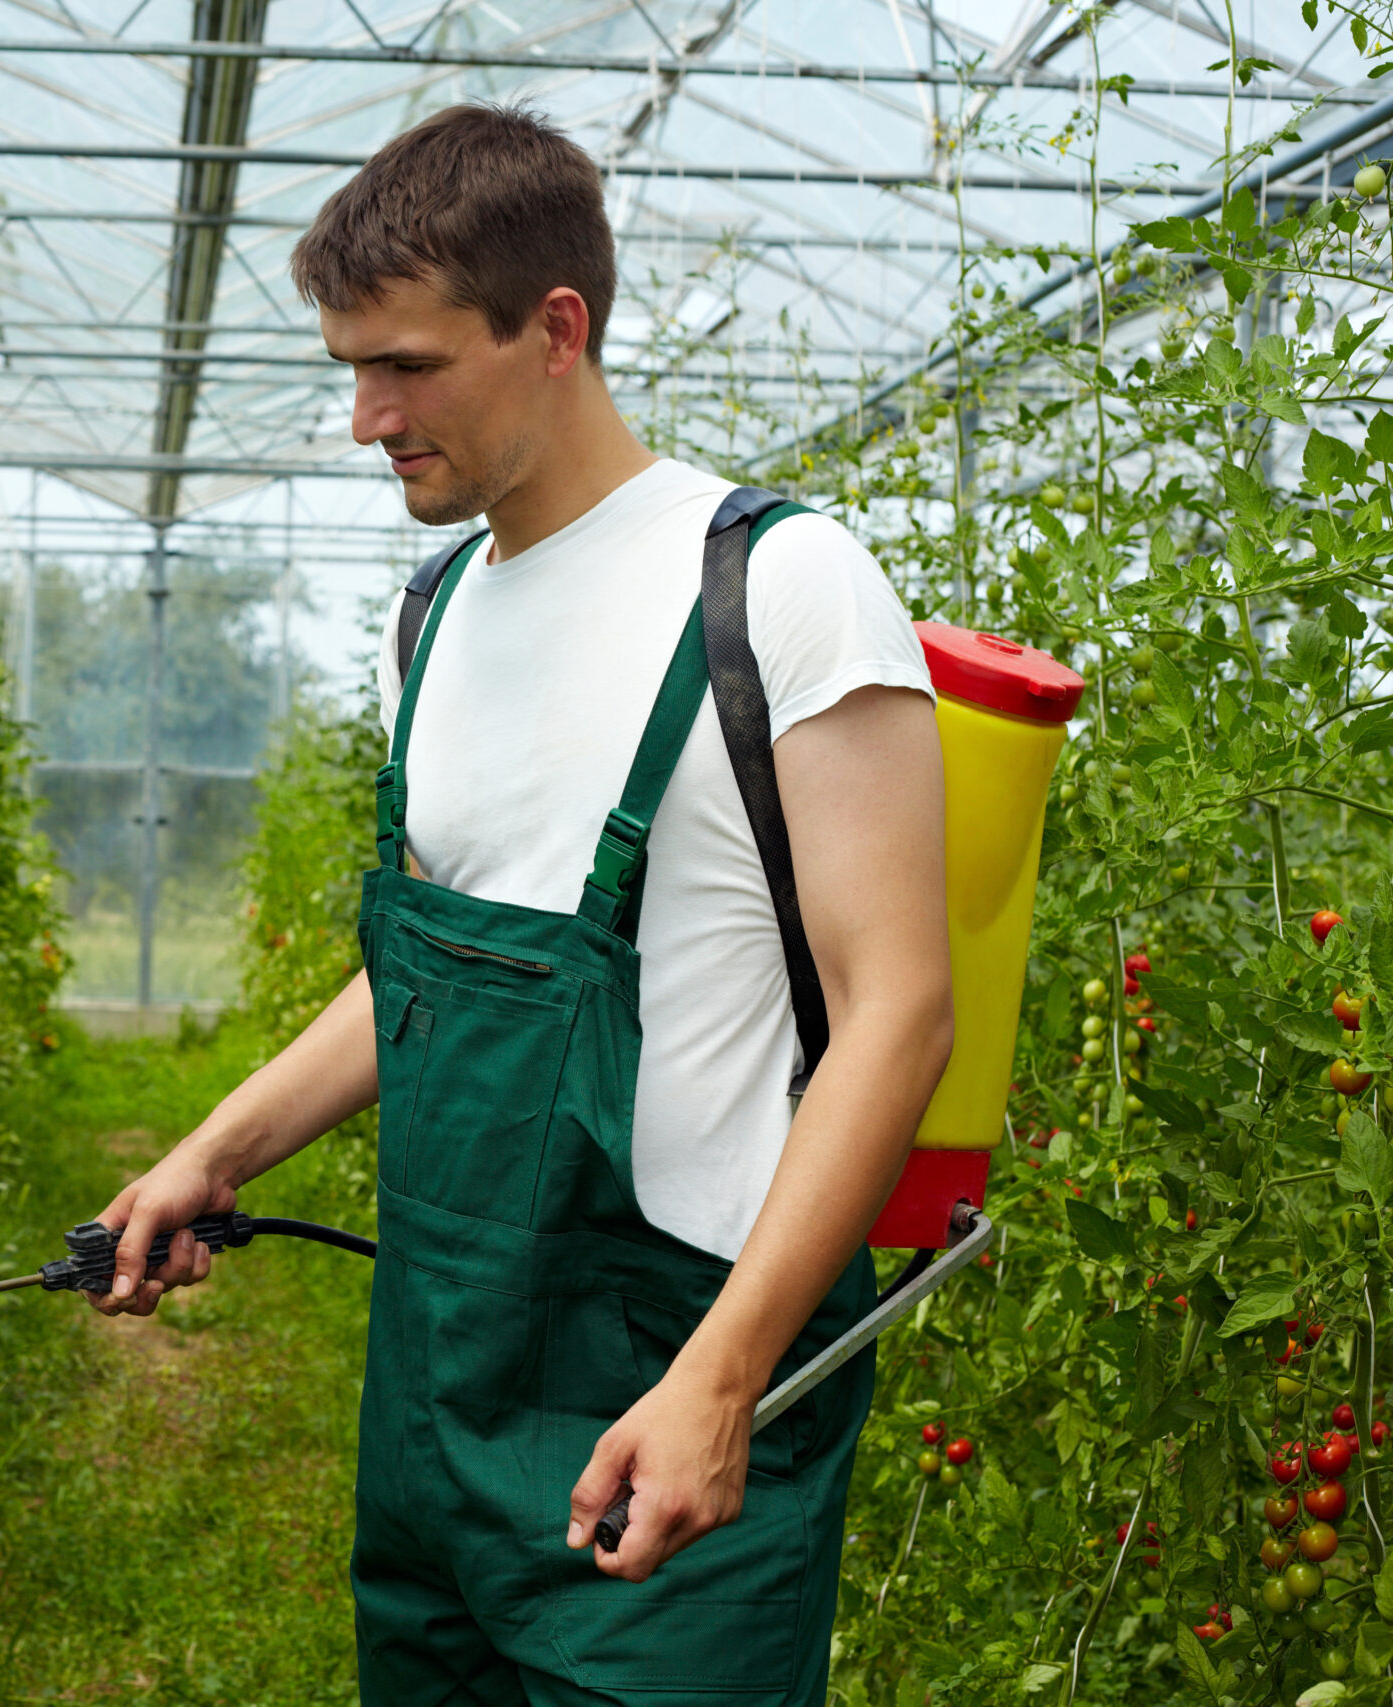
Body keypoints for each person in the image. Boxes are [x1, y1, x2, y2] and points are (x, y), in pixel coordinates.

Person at [85, 104, 954, 1704]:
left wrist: (722, 1382)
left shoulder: (774, 589)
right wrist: (214, 1151)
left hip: (676, 1376)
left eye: (406, 366)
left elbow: (898, 1009)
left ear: (556, 329)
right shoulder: (437, 618)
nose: (366, 418)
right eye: (350, 366)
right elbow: (429, 971)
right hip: (437, 1381)